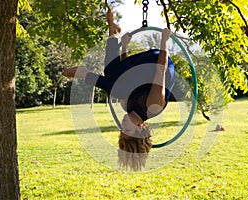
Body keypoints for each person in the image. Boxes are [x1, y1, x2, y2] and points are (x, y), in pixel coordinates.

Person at [62, 8, 175, 171]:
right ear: (141, 128)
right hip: (158, 60)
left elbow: (124, 73)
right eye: (128, 129)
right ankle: (85, 74)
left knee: (113, 77)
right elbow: (160, 70)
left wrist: (124, 47)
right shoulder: (153, 106)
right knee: (116, 88)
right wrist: (164, 40)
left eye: (122, 129)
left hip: (143, 68)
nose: (123, 124)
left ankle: (112, 31)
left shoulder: (125, 106)